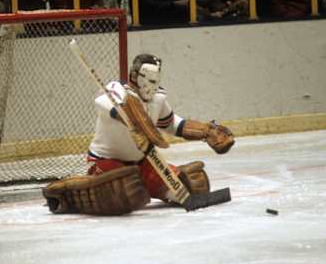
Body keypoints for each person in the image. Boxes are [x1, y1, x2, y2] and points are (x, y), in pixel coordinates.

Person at [42, 54, 235, 215]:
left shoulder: (158, 98)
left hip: (143, 164)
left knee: (193, 186)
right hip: (106, 161)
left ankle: (151, 183)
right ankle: (72, 190)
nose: (153, 85)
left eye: (156, 80)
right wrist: (124, 114)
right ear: (135, 76)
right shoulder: (117, 90)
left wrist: (204, 131)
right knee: (126, 191)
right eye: (149, 79)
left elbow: (170, 123)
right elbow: (101, 102)